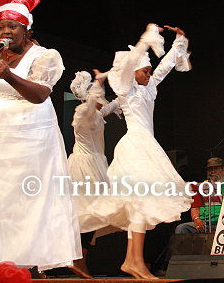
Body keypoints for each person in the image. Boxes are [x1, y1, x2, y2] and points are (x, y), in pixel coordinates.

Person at [0, 0, 81, 271]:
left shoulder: (43, 56)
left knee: (27, 203)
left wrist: (9, 76)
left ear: (26, 29)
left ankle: (28, 265)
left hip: (30, 142)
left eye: (12, 26)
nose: (6, 31)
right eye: (2, 26)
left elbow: (40, 95)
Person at [87, 23, 192, 279]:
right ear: (133, 72)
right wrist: (147, 39)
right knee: (140, 200)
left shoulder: (149, 87)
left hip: (146, 145)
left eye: (148, 70)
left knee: (140, 203)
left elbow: (165, 67)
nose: (149, 73)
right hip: (135, 146)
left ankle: (132, 260)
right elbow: (129, 65)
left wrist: (179, 41)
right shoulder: (126, 89)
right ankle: (135, 261)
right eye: (145, 70)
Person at [68, 70, 121, 278]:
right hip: (84, 169)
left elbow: (113, 105)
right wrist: (99, 82)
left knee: (93, 214)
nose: (101, 102)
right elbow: (90, 106)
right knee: (87, 213)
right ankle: (77, 258)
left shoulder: (97, 113)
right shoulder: (83, 114)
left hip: (96, 166)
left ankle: (80, 257)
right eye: (98, 97)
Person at [175, 157, 224, 234]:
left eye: (216, 169)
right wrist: (197, 219)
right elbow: (195, 208)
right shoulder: (200, 187)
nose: (213, 172)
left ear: (223, 170)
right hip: (205, 224)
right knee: (182, 228)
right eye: (210, 169)